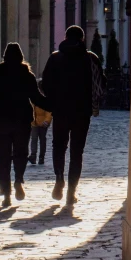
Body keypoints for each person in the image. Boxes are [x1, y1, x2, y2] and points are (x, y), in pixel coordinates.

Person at [41, 25, 106, 209]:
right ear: (82, 38)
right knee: (77, 152)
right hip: (82, 112)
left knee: (58, 145)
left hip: (61, 110)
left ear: (65, 37)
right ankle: (71, 192)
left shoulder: (55, 58)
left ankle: (59, 177)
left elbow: (45, 83)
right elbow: (100, 83)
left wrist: (53, 100)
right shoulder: (90, 58)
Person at [0, 43, 51, 207]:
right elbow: (36, 98)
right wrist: (53, 105)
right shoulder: (26, 76)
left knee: (3, 157)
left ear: (4, 57)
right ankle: (19, 179)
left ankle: (6, 193)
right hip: (21, 120)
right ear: (21, 57)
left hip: (1, 121)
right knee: (21, 152)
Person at [29, 86, 52, 166]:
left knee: (42, 140)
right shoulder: (33, 99)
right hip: (34, 123)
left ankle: (41, 157)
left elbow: (48, 112)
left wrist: (46, 121)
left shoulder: (45, 99)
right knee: (34, 139)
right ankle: (33, 156)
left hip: (43, 124)